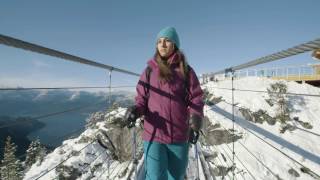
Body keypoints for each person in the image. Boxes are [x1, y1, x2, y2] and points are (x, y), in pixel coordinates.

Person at [124, 27, 204, 180]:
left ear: (175, 44)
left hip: (179, 134)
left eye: (167, 40)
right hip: (154, 134)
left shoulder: (186, 71)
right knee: (154, 176)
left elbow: (196, 97)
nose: (163, 44)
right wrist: (136, 110)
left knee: (176, 176)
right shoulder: (148, 71)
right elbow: (141, 99)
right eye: (159, 41)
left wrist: (196, 116)